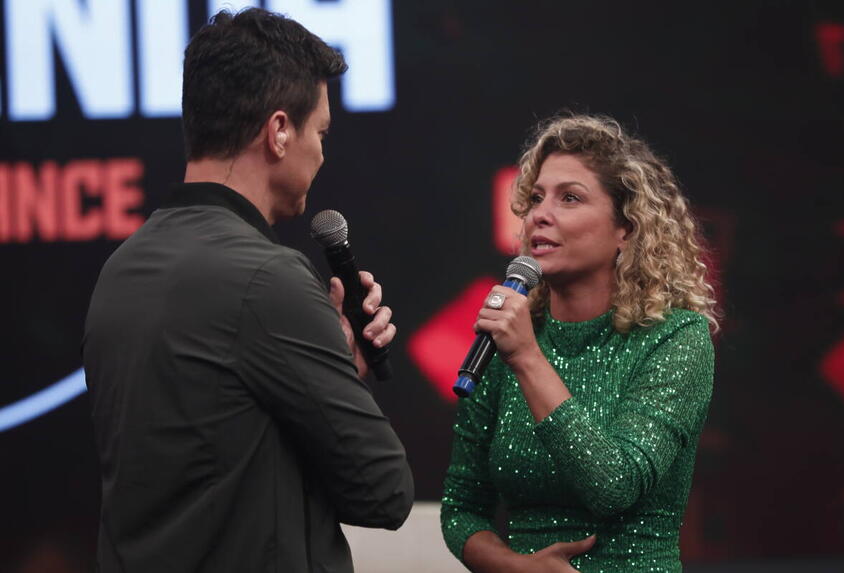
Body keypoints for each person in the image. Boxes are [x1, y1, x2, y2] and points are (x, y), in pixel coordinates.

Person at [82, 9, 413, 573]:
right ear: (279, 131)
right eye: (321, 132)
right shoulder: (269, 279)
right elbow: (383, 493)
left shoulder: (121, 268)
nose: (323, 153)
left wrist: (335, 372)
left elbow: (217, 453)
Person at [441, 113, 718, 573]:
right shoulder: (505, 337)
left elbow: (614, 484)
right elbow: (461, 506)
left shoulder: (676, 338)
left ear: (625, 228)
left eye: (569, 198)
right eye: (535, 198)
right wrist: (516, 567)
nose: (539, 215)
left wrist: (528, 358)